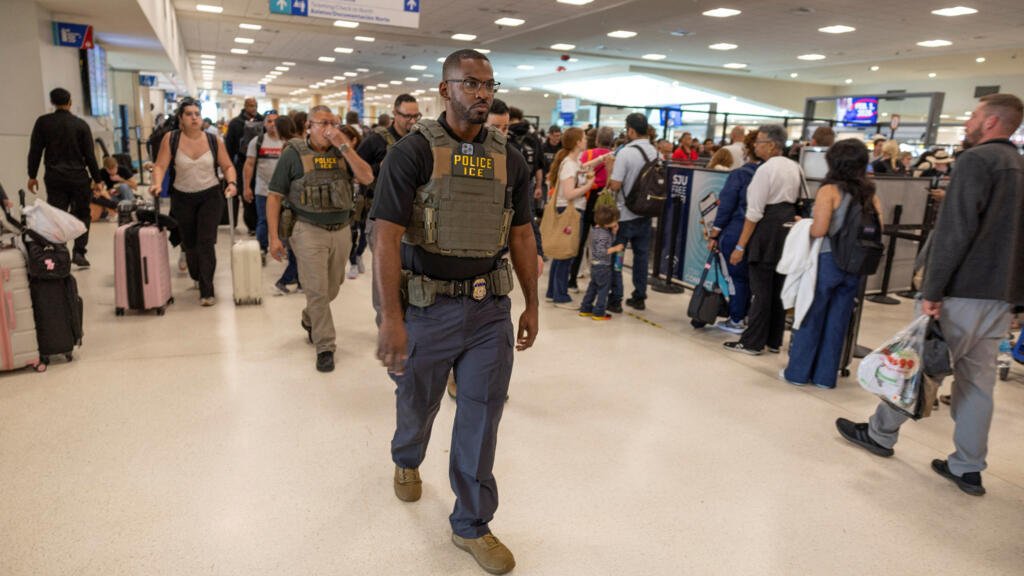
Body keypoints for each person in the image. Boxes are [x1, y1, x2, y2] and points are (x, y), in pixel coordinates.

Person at [372, 48, 538, 576]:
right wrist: (391, 319)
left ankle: (471, 523)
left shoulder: (510, 158)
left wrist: (532, 303)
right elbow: (385, 237)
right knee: (417, 402)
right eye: (470, 83)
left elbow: (522, 234)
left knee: (482, 414)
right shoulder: (412, 153)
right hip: (427, 307)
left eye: (488, 84)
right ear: (445, 89)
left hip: (489, 309)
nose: (482, 93)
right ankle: (406, 458)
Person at [836, 93, 1024, 497]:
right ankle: (968, 466)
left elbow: (956, 230)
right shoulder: (1018, 166)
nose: (968, 122)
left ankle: (880, 434)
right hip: (1000, 296)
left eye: (974, 115)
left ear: (991, 122)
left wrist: (933, 289)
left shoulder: (976, 161)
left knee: (921, 365)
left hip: (962, 290)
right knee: (978, 384)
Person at [266, 105, 374, 372]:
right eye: (323, 123)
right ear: (308, 126)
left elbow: (367, 177)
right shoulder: (293, 154)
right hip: (307, 229)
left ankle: (309, 317)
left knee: (332, 287)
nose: (329, 129)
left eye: (333, 123)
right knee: (316, 289)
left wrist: (345, 146)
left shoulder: (342, 150)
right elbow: (275, 196)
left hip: (342, 230)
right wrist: (273, 237)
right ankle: (325, 346)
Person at [782, 139, 883, 388]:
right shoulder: (871, 194)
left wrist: (802, 224)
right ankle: (825, 377)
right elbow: (879, 228)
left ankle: (798, 373)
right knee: (838, 322)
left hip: (827, 261)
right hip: (856, 265)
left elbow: (819, 230)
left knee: (811, 315)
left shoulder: (829, 191)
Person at [149, 97, 237, 306]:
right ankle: (197, 275)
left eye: (197, 114)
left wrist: (232, 183)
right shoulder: (171, 139)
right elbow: (160, 166)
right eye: (189, 114)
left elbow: (227, 166)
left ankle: (207, 290)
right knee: (190, 244)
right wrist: (157, 184)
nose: (194, 118)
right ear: (181, 118)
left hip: (210, 196)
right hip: (182, 197)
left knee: (206, 242)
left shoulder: (213, 140)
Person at [723, 124, 802, 355]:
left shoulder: (765, 170)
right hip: (787, 230)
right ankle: (773, 340)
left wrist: (740, 246)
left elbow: (754, 212)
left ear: (772, 145)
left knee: (760, 289)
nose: (755, 146)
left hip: (766, 231)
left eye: (759, 142)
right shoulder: (795, 167)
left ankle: (752, 342)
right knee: (779, 286)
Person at [356, 94, 421, 313]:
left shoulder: (419, 140)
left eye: (416, 116)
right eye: (407, 116)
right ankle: (385, 320)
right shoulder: (375, 140)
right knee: (385, 272)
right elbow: (357, 173)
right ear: (395, 114)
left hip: (413, 217)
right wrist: (381, 167)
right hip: (381, 216)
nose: (412, 121)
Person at [27, 87, 104, 268]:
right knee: (82, 214)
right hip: (78, 177)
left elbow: (35, 150)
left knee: (56, 215)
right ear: (70, 102)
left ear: (52, 102)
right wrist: (98, 179)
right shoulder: (81, 125)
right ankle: (79, 252)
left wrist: (32, 175)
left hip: (55, 178)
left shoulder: (43, 122)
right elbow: (90, 156)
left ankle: (60, 252)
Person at [708, 130, 759, 334]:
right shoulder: (770, 173)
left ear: (747, 150)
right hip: (760, 234)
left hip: (736, 231)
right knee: (751, 279)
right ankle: (746, 316)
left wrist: (714, 234)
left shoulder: (740, 175)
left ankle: (736, 319)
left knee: (736, 277)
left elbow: (726, 206)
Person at [607, 113, 659, 312]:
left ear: (630, 130)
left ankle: (616, 298)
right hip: (645, 213)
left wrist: (610, 169)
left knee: (618, 257)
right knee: (641, 258)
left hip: (624, 214)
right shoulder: (655, 152)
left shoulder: (626, 153)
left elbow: (615, 185)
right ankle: (639, 297)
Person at [545, 127, 596, 307]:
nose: (586, 140)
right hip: (570, 211)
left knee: (561, 252)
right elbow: (568, 193)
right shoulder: (569, 165)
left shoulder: (573, 162)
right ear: (577, 142)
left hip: (569, 210)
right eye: (584, 138)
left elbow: (582, 168)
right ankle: (560, 294)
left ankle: (553, 292)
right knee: (566, 253)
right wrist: (588, 185)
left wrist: (599, 161)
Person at [568, 126, 614, 291]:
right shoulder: (613, 157)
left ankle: (572, 279)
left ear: (597, 139)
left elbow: (580, 172)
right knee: (602, 241)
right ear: (612, 141)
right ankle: (600, 283)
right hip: (604, 199)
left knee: (580, 241)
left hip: (586, 198)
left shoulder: (587, 154)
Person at [243, 110, 282, 262]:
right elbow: (249, 164)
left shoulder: (286, 141)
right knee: (263, 220)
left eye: (275, 121)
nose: (272, 124)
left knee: (283, 221)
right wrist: (246, 187)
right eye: (269, 121)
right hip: (263, 190)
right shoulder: (257, 141)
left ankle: (283, 246)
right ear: (264, 124)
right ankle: (262, 249)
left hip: (284, 191)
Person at [269, 115, 302, 295]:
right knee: (296, 248)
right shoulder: (302, 143)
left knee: (295, 249)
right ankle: (299, 282)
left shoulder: (289, 148)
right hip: (299, 204)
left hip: (292, 205)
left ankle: (285, 281)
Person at [578, 204, 624, 321]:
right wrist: (615, 248)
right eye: (615, 220)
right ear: (608, 222)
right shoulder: (604, 234)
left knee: (592, 288)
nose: (617, 222)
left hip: (595, 266)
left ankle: (585, 308)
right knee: (603, 290)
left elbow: (606, 243)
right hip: (603, 267)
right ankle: (599, 312)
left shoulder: (596, 230)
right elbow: (602, 251)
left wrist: (613, 233)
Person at [225, 97, 263, 234]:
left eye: (255, 105)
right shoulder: (236, 123)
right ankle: (252, 225)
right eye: (251, 105)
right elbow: (229, 145)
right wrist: (228, 165)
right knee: (246, 194)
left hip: (260, 164)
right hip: (242, 163)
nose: (253, 108)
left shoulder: (263, 121)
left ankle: (261, 223)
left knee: (260, 193)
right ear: (245, 106)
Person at [507, 107, 545, 212]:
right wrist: (538, 186)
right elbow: (538, 164)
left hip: (509, 180)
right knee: (525, 213)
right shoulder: (534, 137)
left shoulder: (506, 134)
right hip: (527, 181)